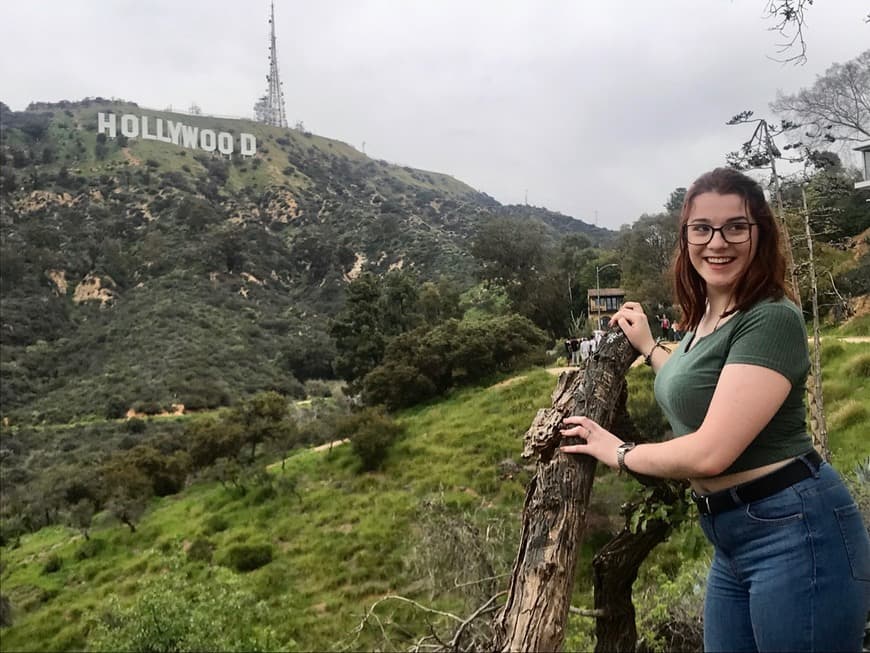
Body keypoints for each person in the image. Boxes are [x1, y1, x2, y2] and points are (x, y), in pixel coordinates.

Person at [560, 167, 870, 652]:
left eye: (735, 227)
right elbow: (699, 387)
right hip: (730, 537)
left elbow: (711, 453)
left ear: (759, 233)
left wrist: (618, 451)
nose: (717, 242)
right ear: (685, 237)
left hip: (796, 532)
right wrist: (648, 347)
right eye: (702, 228)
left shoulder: (770, 317)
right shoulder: (706, 315)